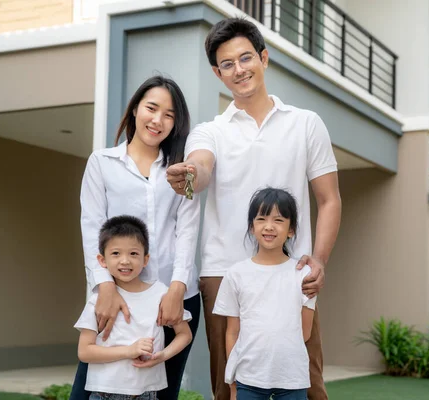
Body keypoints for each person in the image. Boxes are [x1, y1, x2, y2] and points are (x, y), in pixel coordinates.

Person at [167, 17, 342, 400]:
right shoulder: (210, 131)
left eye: (246, 58)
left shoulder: (306, 124)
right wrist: (190, 174)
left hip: (293, 270)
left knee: (308, 383)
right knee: (227, 384)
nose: (239, 69)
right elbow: (202, 167)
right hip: (225, 271)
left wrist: (319, 260)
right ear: (218, 73)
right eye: (227, 64)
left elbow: (329, 199)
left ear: (264, 58)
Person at [70, 75, 201, 400]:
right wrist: (105, 286)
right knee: (89, 391)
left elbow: (187, 228)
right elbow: (92, 227)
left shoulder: (183, 171)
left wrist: (177, 288)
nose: (158, 120)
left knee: (160, 393)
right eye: (151, 108)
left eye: (169, 114)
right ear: (134, 110)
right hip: (116, 295)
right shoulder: (101, 163)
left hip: (174, 298)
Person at [75, 215, 193, 400]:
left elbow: (184, 334)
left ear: (146, 259)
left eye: (133, 253)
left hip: (146, 394)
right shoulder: (100, 302)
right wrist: (128, 351)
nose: (125, 261)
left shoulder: (160, 293)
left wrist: (162, 356)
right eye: (116, 253)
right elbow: (84, 351)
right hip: (104, 394)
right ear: (102, 260)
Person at [213, 188, 315, 400]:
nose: (269, 226)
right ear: (252, 227)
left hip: (292, 377)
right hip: (248, 378)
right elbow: (232, 332)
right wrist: (232, 382)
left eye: (278, 220)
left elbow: (305, 331)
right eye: (261, 219)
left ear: (291, 229)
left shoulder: (304, 275)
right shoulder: (236, 274)